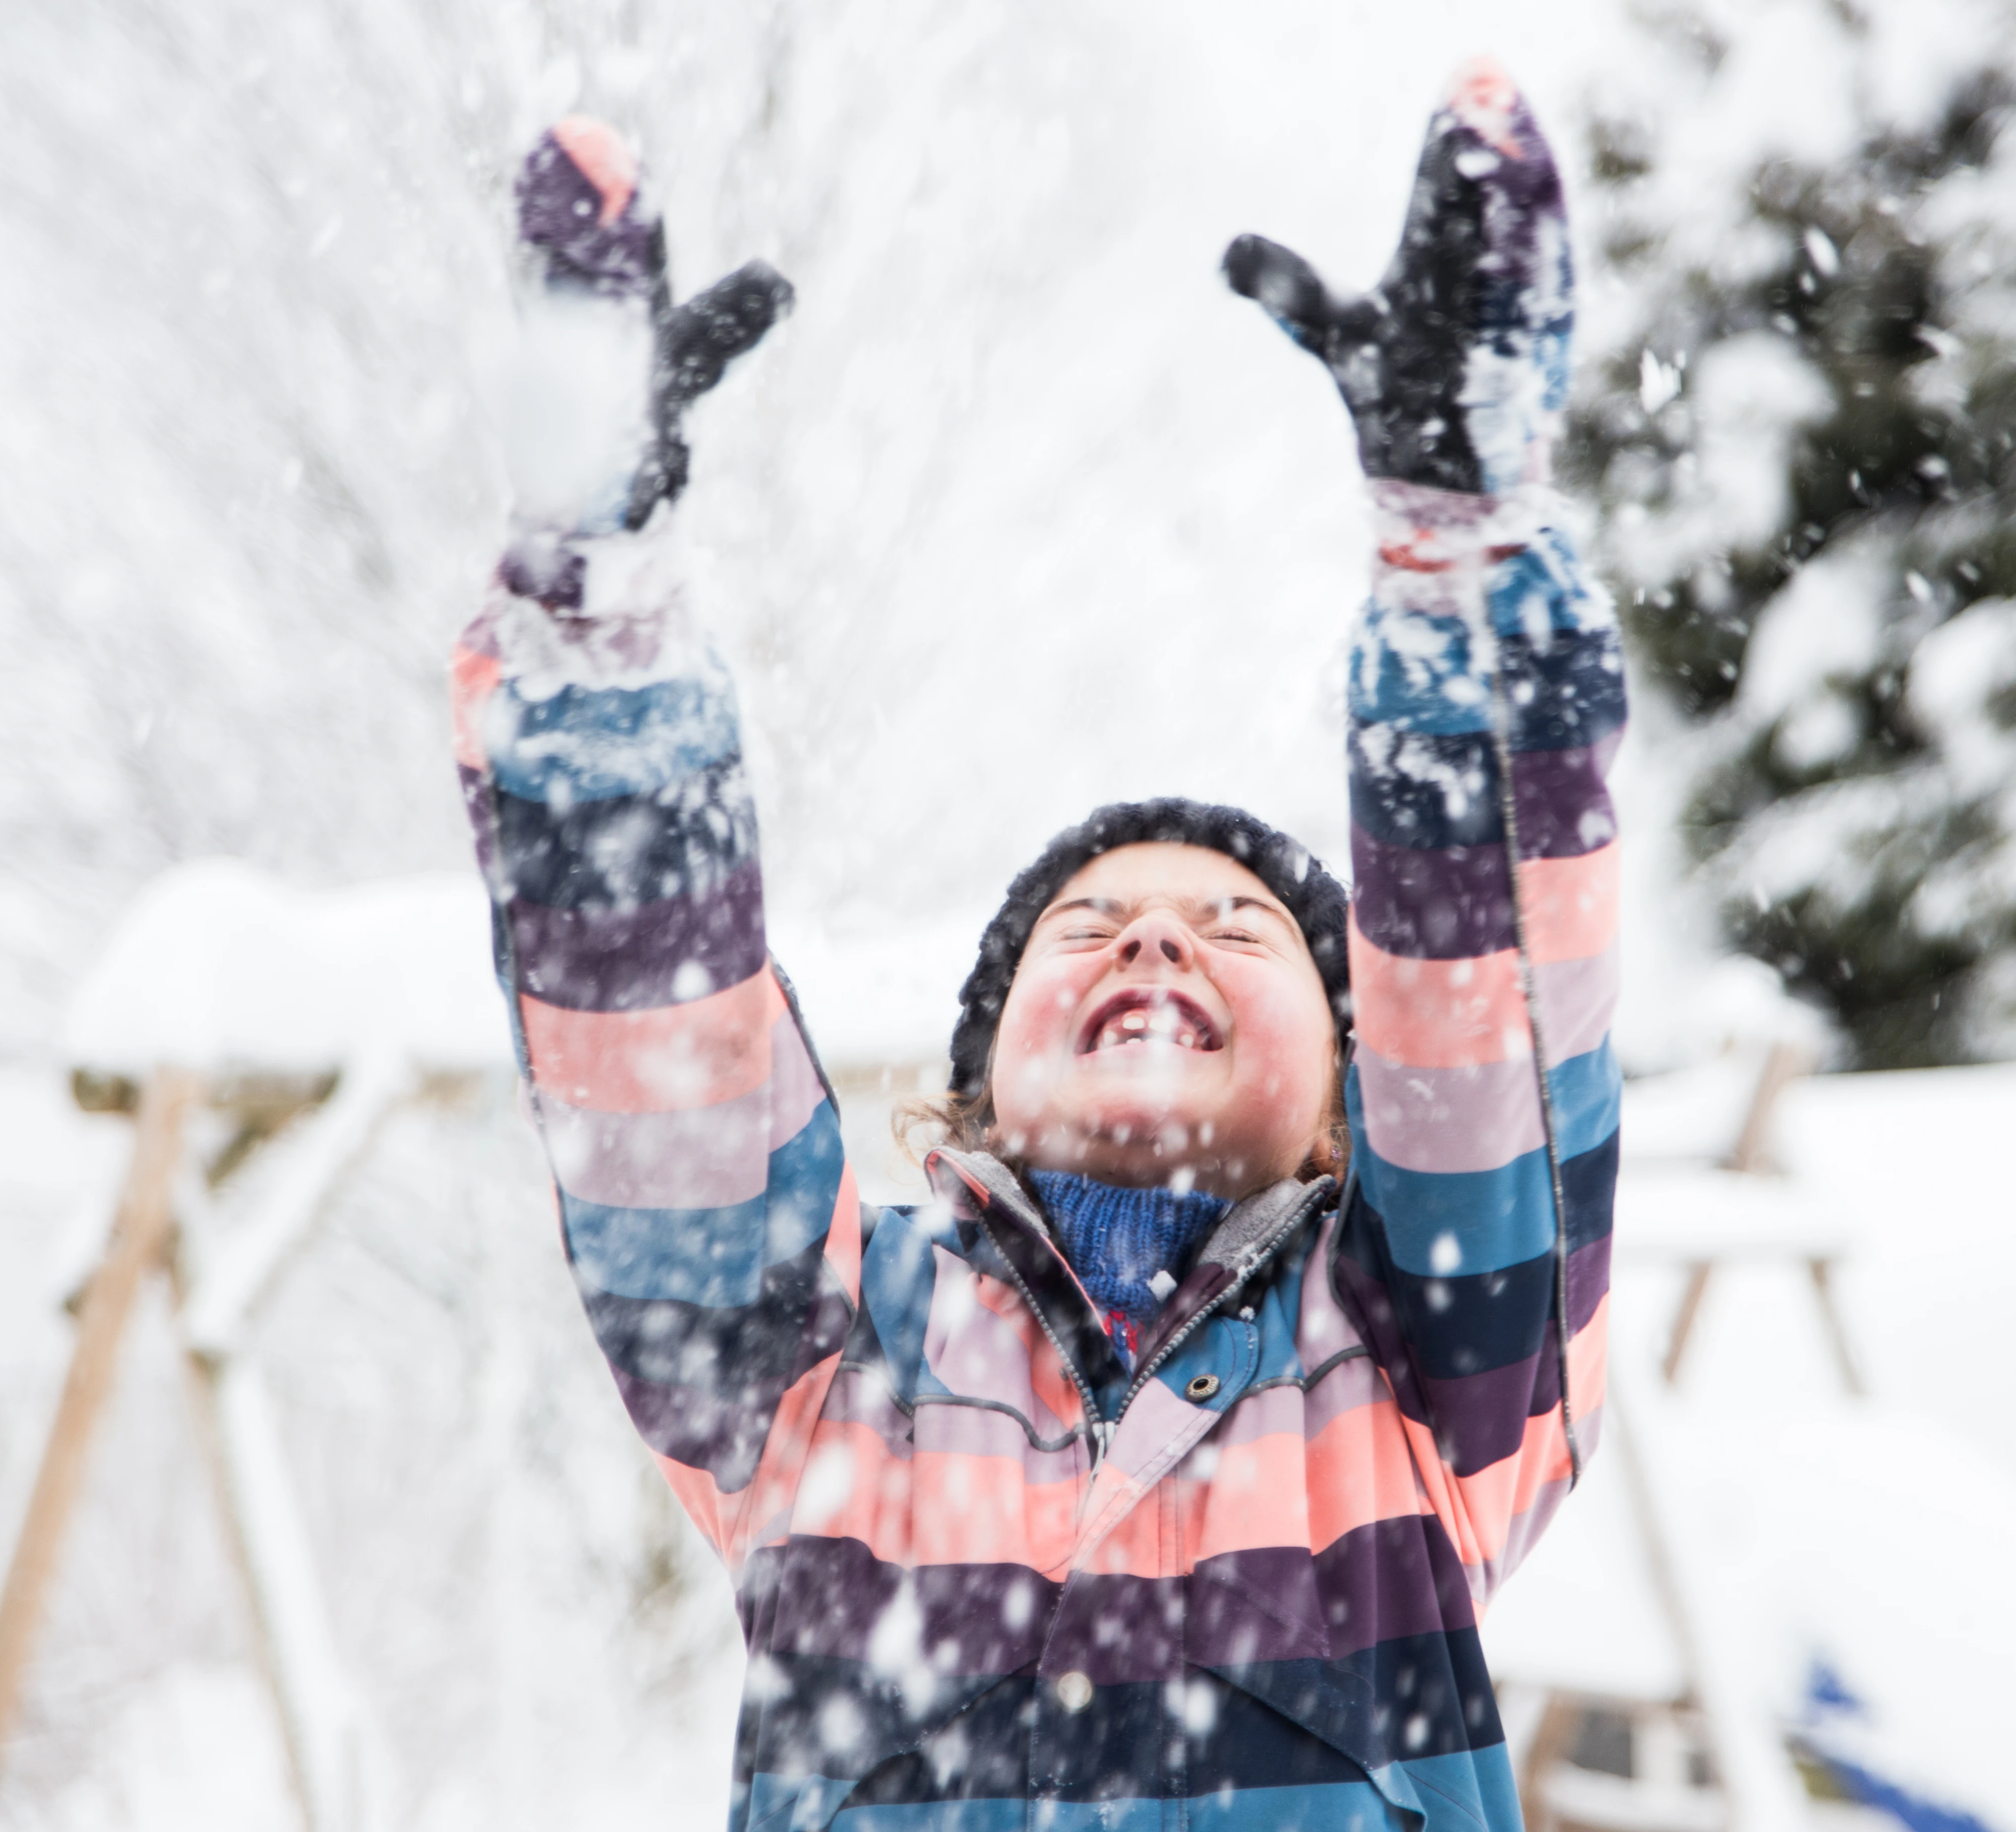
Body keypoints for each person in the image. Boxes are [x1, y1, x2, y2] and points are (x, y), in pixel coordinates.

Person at [452, 58, 1620, 1832]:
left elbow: (1497, 1008)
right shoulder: (834, 1370)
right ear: (982, 1080)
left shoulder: (1422, 1365)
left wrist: (1463, 561)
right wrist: (602, 625)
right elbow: (653, 1051)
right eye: (1093, 926)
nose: (1156, 938)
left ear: (1349, 1090)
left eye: (1237, 929)